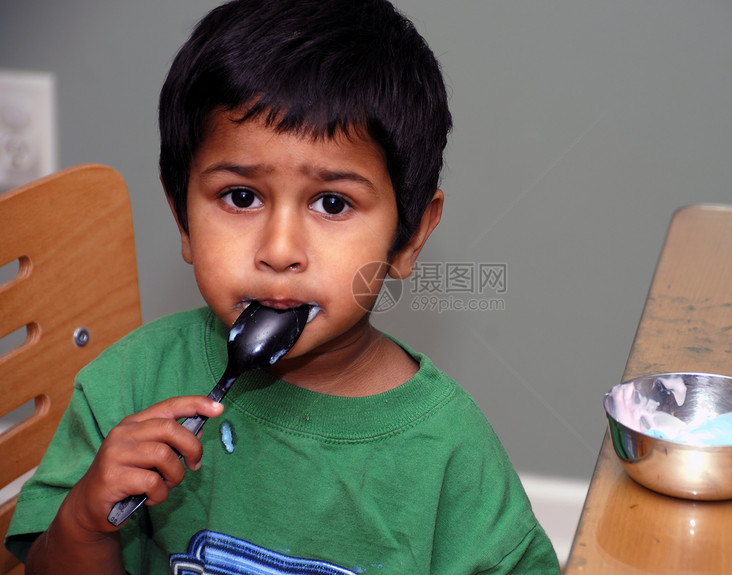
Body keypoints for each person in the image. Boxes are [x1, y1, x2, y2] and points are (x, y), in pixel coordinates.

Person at [4, 0, 560, 572]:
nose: (279, 250)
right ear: (183, 219)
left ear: (409, 236)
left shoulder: (450, 455)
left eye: (332, 203)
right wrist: (83, 524)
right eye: (241, 197)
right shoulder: (127, 387)